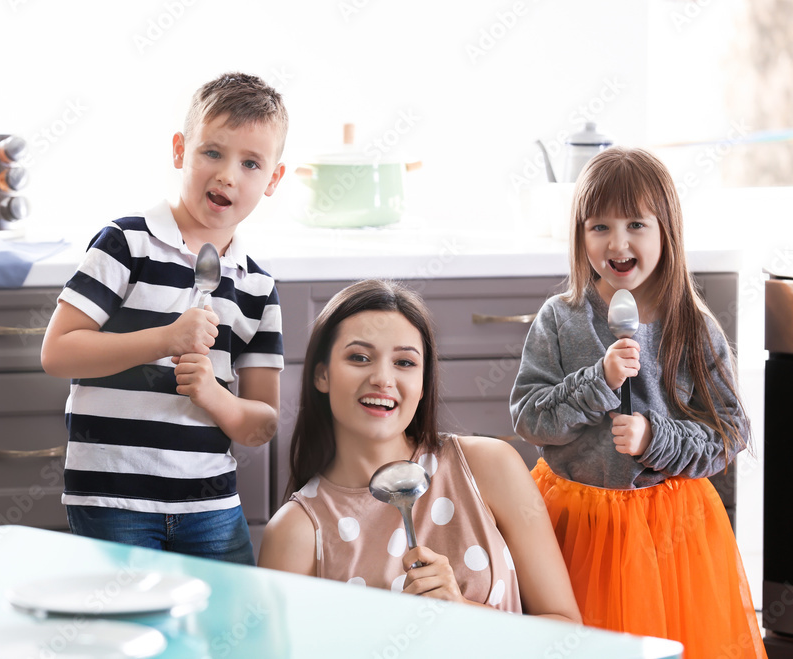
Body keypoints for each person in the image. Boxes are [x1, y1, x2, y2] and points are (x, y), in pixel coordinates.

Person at [510, 147, 765, 656]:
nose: (617, 242)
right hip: (573, 523)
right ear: (580, 236)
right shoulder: (560, 318)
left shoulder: (694, 327)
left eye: (635, 224)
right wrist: (597, 382)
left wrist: (656, 437)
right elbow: (529, 416)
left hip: (673, 530)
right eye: (598, 226)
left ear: (666, 232)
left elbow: (730, 433)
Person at [41, 72, 288, 565]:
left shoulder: (258, 287)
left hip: (211, 505)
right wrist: (164, 338)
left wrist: (215, 396)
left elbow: (262, 423)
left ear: (273, 179)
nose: (227, 176)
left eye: (251, 163)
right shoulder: (125, 244)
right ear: (180, 151)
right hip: (113, 501)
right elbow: (59, 351)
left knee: (230, 636)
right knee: (132, 639)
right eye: (212, 152)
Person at [258, 280, 581, 621]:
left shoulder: (489, 467)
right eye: (359, 357)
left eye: (405, 362)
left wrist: (460, 612)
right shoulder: (295, 532)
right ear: (321, 375)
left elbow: (566, 631)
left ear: (424, 382)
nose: (383, 378)